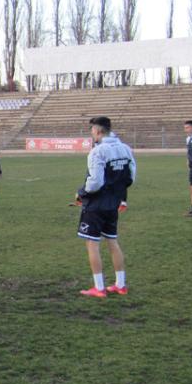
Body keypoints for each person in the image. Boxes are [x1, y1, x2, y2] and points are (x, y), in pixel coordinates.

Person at [76, 117, 136, 298]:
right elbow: (131, 177)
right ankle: (120, 285)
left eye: (92, 131)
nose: (92, 134)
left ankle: (99, 288)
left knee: (92, 244)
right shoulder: (125, 149)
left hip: (96, 205)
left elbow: (95, 182)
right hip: (113, 204)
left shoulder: (98, 151)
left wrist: (81, 193)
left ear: (98, 131)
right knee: (112, 241)